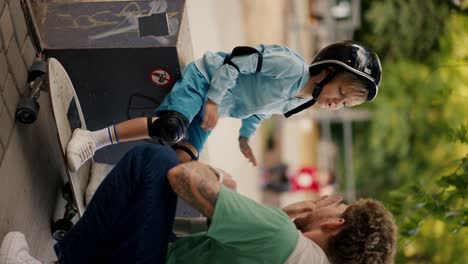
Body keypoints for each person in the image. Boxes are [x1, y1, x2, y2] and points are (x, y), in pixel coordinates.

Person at [1, 145, 396, 264]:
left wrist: (216, 176)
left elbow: (183, 179)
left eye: (336, 208)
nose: (326, 204)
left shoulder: (283, 241)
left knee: (155, 163)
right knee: (164, 228)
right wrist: (288, 215)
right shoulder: (297, 249)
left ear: (335, 225)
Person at [66, 40, 382, 171]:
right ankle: (92, 139)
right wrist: (215, 100)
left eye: (344, 104)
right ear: (327, 69)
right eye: (340, 92)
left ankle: (112, 179)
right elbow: (238, 59)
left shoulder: (299, 100)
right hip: (205, 82)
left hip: (212, 111)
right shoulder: (291, 67)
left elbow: (260, 110)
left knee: (185, 163)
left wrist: (245, 137)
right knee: (170, 128)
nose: (336, 103)